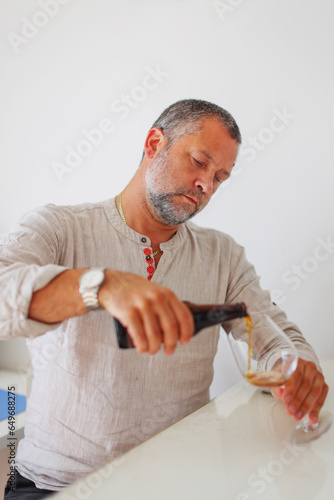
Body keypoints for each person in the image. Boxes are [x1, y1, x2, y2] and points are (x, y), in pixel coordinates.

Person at [1, 99, 328, 498]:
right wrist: (99, 286)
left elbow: (275, 334)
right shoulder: (58, 227)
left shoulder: (223, 256)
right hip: (57, 484)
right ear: (155, 143)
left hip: (177, 483)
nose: (207, 185)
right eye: (199, 161)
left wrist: (294, 369)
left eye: (221, 177)